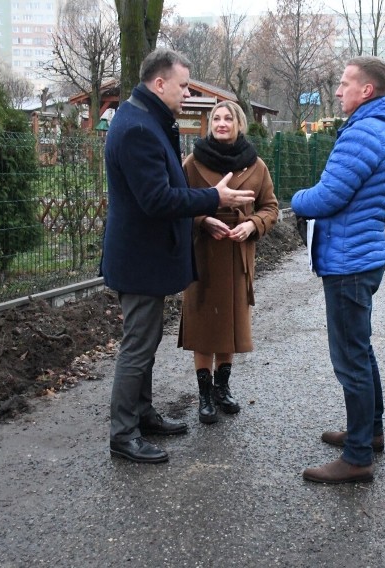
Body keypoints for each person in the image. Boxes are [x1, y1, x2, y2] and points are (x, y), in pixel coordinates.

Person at [101, 48, 254, 464]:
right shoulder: (137, 128)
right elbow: (156, 199)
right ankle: (122, 434)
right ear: (160, 83)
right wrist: (212, 198)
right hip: (139, 260)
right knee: (138, 346)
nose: (188, 93)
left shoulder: (146, 120)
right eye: (184, 85)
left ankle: (143, 413)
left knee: (146, 344)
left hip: (146, 257)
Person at [291, 56, 385, 484]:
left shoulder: (364, 130)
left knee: (350, 359)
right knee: (360, 350)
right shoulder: (382, 128)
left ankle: (358, 455)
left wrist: (296, 198)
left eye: (345, 84)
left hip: (348, 260)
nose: (338, 91)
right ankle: (370, 431)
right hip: (361, 255)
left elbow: (328, 196)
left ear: (367, 90)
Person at [178, 100, 278, 424]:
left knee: (230, 325)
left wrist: (252, 225)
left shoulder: (256, 165)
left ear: (239, 125)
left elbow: (270, 207)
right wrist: (203, 220)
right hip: (203, 254)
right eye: (217, 118)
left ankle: (222, 388)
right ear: (210, 125)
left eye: (228, 119)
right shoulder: (192, 162)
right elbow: (177, 204)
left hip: (237, 255)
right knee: (203, 326)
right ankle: (204, 395)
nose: (222, 123)